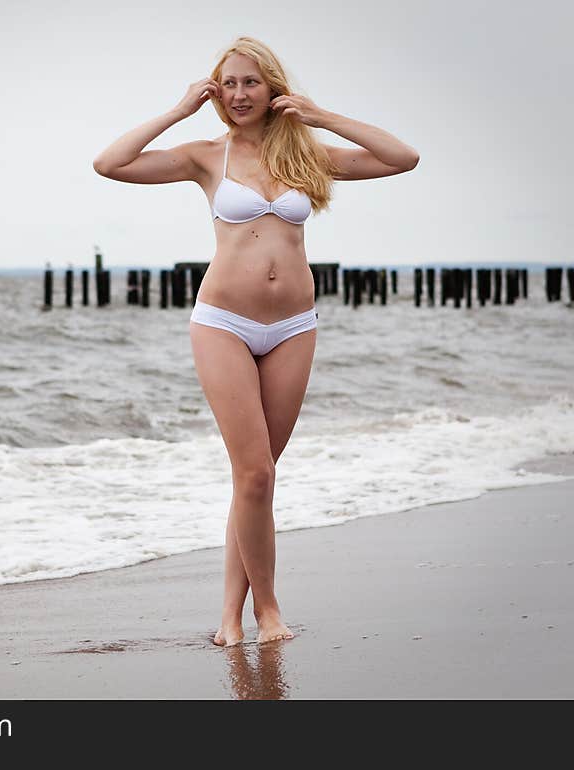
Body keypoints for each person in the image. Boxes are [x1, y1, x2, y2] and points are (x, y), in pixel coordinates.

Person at [93, 36, 419, 647]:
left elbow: (403, 158)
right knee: (253, 472)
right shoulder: (205, 156)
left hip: (294, 326)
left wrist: (320, 116)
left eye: (251, 83)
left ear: (273, 88)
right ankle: (265, 613)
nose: (240, 95)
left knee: (258, 478)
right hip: (223, 323)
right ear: (216, 92)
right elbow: (110, 163)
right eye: (229, 84)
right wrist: (177, 110)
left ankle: (228, 620)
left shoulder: (308, 156)